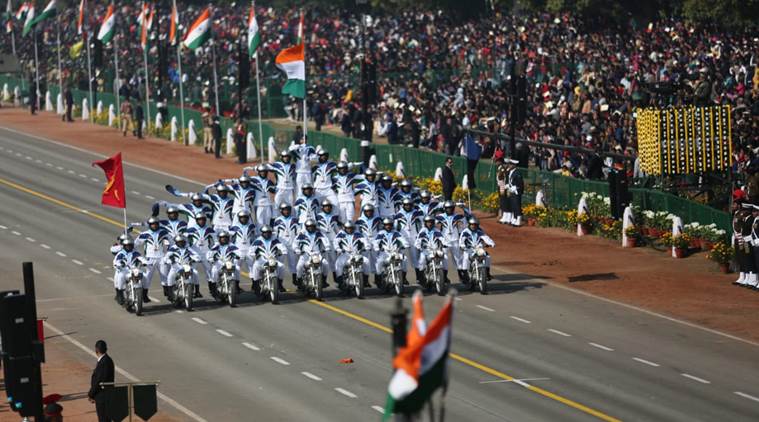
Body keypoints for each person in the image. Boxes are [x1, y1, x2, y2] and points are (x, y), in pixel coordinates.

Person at [134, 217, 169, 302]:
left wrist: (168, 253)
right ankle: (144, 295)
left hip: (161, 257)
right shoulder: (145, 234)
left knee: (165, 277)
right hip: (150, 258)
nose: (154, 225)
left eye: (156, 224)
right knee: (147, 278)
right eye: (152, 224)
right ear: (149, 225)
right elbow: (135, 244)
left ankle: (168, 293)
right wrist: (138, 256)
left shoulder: (163, 232)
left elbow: (171, 242)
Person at [294, 219, 331, 287]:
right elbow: (295, 243)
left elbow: (325, 240)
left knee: (326, 264)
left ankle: (323, 280)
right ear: (306, 227)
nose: (310, 228)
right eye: (309, 226)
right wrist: (297, 249)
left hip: (317, 254)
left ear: (315, 226)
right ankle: (299, 281)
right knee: (299, 266)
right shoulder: (302, 234)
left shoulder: (319, 233)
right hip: (305, 255)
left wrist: (327, 247)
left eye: (312, 226)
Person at [251, 225, 288, 293]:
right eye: (265, 232)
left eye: (268, 232)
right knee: (255, 266)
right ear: (262, 233)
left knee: (282, 266)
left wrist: (283, 251)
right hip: (261, 260)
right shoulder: (258, 241)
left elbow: (282, 247)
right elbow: (251, 250)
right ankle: (256, 285)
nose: (267, 234)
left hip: (272, 259)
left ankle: (279, 283)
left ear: (271, 232)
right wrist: (253, 254)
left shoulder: (274, 240)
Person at [374, 218, 410, 285]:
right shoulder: (381, 233)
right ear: (384, 225)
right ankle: (378, 278)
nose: (388, 226)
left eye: (390, 225)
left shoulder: (396, 233)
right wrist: (377, 247)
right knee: (379, 262)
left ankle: (403, 277)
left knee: (405, 259)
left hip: (395, 252)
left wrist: (406, 244)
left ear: (392, 225)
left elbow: (403, 239)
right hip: (384, 252)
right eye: (386, 225)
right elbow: (376, 242)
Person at [436, 201, 467, 282]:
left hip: (455, 240)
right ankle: (444, 277)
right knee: (444, 259)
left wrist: (465, 208)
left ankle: (461, 276)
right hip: (445, 241)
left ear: (453, 208)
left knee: (458, 258)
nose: (449, 210)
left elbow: (466, 221)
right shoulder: (440, 217)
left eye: (451, 208)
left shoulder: (457, 216)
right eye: (447, 208)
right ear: (444, 209)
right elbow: (431, 223)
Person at [333, 221, 370, 288]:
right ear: (345, 228)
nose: (349, 230)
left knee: (366, 261)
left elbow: (364, 240)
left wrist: (367, 246)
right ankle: (340, 282)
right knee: (338, 264)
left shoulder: (357, 234)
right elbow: (335, 242)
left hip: (356, 254)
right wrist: (338, 249)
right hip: (345, 254)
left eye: (351, 228)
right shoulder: (341, 234)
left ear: (354, 228)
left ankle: (365, 280)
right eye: (348, 228)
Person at [415, 215, 449, 285]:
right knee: (421, 260)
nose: (429, 224)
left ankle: (444, 276)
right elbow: (417, 241)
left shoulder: (437, 231)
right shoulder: (422, 231)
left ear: (433, 222)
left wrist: (445, 244)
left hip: (436, 250)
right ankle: (422, 279)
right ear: (425, 223)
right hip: (426, 251)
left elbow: (442, 239)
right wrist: (418, 246)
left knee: (445, 258)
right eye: (428, 222)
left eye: (431, 222)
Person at [460, 218, 496, 282]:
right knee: (465, 258)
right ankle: (465, 274)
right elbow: (461, 240)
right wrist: (462, 246)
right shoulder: (465, 232)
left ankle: (487, 273)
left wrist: (491, 243)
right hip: (469, 249)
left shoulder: (479, 232)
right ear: (469, 225)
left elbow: (486, 238)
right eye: (472, 225)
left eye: (475, 225)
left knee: (487, 257)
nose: (473, 226)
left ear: (477, 225)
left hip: (478, 249)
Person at [112, 237, 144, 306]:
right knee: (120, 277)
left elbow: (141, 258)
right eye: (126, 246)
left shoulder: (135, 253)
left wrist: (145, 262)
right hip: (124, 270)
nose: (128, 247)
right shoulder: (121, 253)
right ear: (124, 246)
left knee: (144, 276)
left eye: (129, 245)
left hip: (133, 269)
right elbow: (116, 261)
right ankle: (120, 294)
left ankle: (143, 292)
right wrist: (119, 264)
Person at [88, 340, 114, 422]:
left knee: (103, 419)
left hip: (102, 397)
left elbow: (98, 381)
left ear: (97, 350)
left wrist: (91, 394)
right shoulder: (106, 360)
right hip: (104, 395)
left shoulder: (104, 362)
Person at [505, 158, 524, 226]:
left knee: (517, 205)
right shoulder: (511, 172)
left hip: (516, 191)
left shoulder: (517, 172)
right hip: (511, 191)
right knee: (513, 205)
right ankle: (515, 217)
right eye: (509, 164)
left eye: (511, 164)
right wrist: (508, 185)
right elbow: (510, 180)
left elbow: (520, 183)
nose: (509, 165)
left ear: (514, 165)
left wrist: (515, 187)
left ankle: (519, 218)